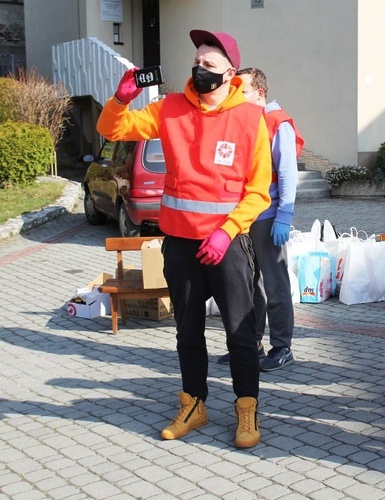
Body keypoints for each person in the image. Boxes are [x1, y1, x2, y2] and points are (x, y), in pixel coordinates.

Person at [97, 30, 272, 449]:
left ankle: (246, 408)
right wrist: (121, 99)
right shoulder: (169, 108)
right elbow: (113, 129)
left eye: (210, 64)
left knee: (240, 332)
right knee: (187, 330)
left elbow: (258, 190)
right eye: (197, 60)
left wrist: (226, 232)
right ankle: (194, 404)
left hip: (226, 245)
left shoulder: (250, 118)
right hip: (180, 244)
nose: (200, 69)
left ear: (231, 73)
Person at [217, 67, 304, 371]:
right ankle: (250, 344)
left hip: (268, 216)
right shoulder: (243, 120)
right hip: (243, 216)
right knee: (248, 284)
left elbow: (288, 173)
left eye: (241, 91)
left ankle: (282, 347)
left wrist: (284, 215)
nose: (235, 96)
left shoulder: (276, 124)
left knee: (274, 283)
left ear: (260, 93)